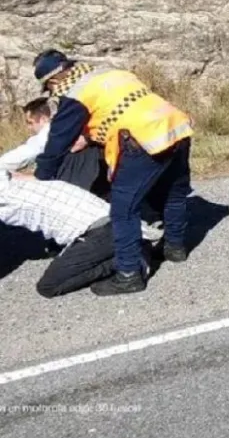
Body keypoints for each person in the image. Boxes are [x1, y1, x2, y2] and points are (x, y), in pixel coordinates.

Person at [31, 49, 194, 296]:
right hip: (175, 126)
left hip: (141, 139)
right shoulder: (112, 73)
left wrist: (42, 177)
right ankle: (175, 247)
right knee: (173, 192)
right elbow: (119, 109)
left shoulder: (75, 94)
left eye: (51, 89)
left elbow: (57, 143)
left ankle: (129, 275)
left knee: (123, 210)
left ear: (53, 81)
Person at [0, 169, 161, 298]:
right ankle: (130, 246)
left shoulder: (5, 196)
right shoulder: (18, 180)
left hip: (99, 231)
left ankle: (129, 258)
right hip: (116, 218)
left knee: (48, 287)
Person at [0, 97, 110, 198]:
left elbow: (29, 150)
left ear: (43, 119)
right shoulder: (74, 123)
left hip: (85, 180)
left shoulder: (54, 131)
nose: (29, 128)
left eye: (30, 123)